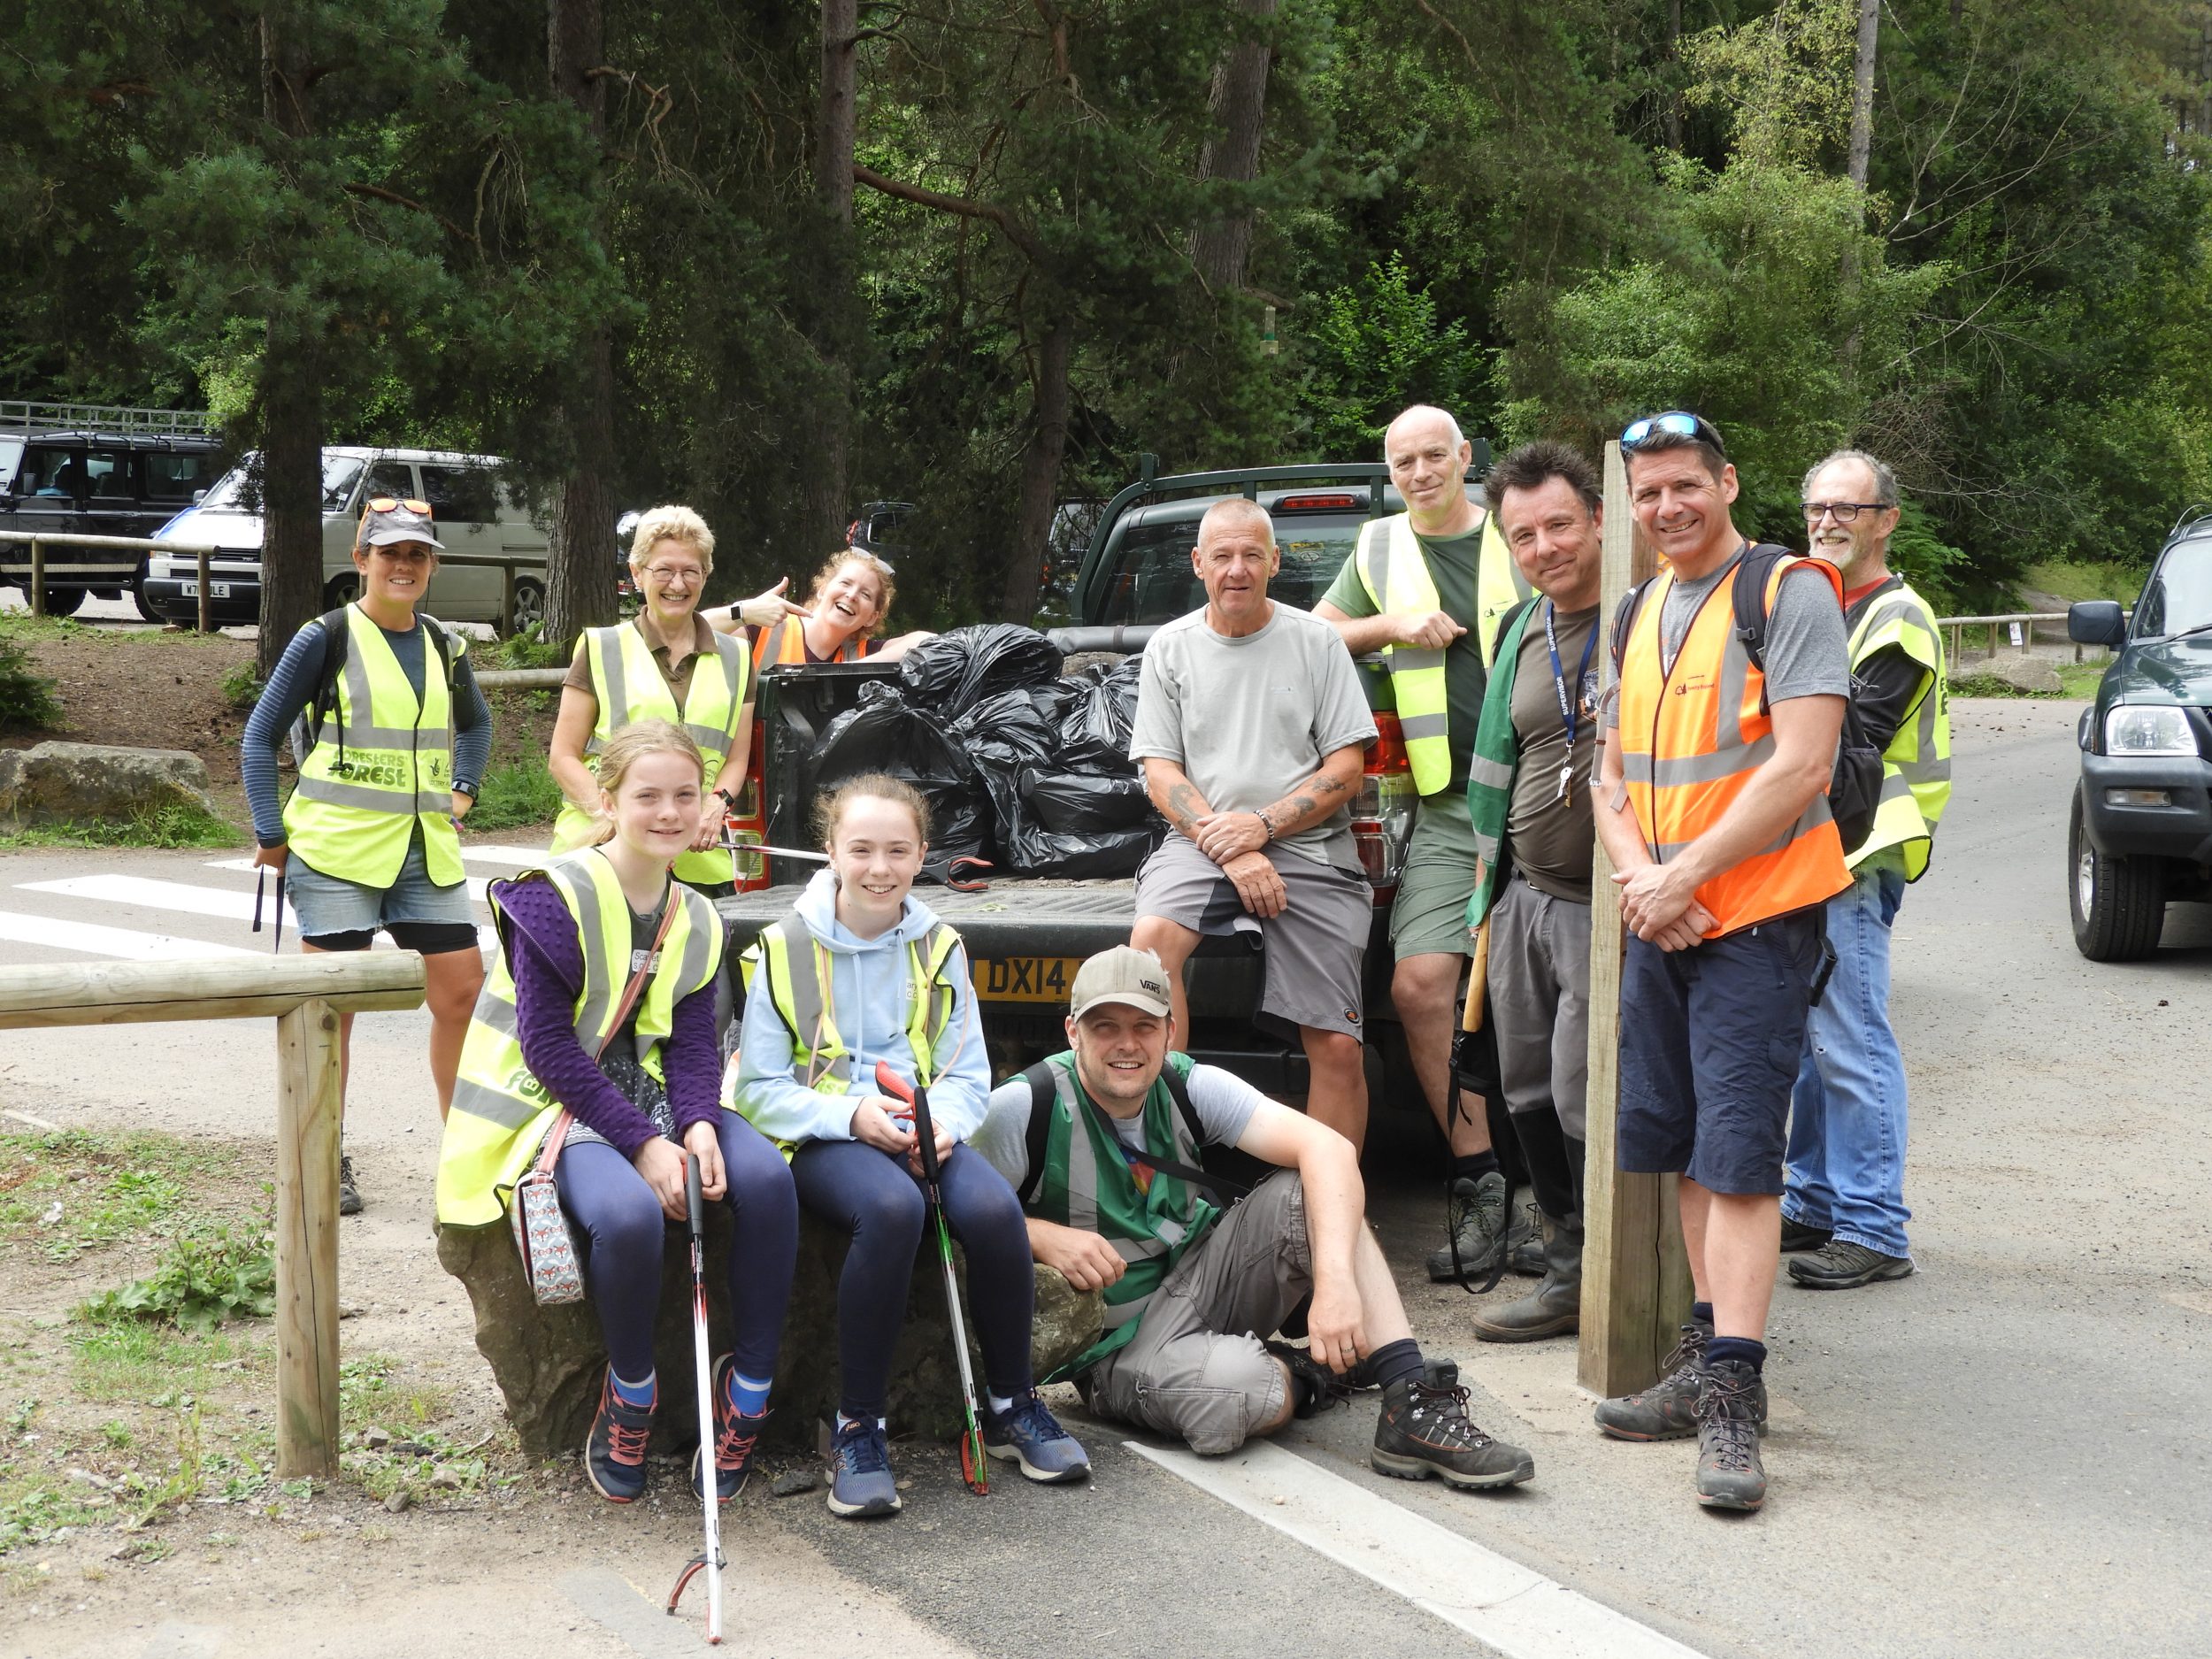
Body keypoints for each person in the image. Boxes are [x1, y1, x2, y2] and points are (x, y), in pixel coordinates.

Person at [970, 945, 1535, 1487]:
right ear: (1072, 1032)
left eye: (1144, 1026)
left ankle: (1410, 1399)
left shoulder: (1185, 1083)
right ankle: (1313, 1372)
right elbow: (942, 1208)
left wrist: (1336, 1289)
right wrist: (1036, 1233)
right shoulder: (1026, 1106)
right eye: (1105, 1027)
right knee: (1241, 1397)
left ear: (1170, 1031)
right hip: (1115, 1348)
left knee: (1313, 1188)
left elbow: (1330, 1151)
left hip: (1203, 1282)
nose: (1127, 1045)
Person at [1588, 411, 1852, 1513]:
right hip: (1664, 915)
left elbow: (1802, 765)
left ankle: (1736, 1399)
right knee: (1689, 1147)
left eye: (1684, 487)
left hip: (1753, 918)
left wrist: (1680, 877)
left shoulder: (1784, 592)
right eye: (1647, 494)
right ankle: (1705, 1360)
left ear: (1726, 482)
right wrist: (1646, 884)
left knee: (1742, 1157)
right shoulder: (1636, 608)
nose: (1666, 509)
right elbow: (1607, 776)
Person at [435, 721, 796, 1507]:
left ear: (706, 805)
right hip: (553, 1104)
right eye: (648, 795)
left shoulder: (699, 915)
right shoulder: (552, 894)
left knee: (765, 1180)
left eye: (685, 795)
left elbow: (697, 1042)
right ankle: (630, 1393)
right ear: (609, 799)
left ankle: (749, 1389)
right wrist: (644, 1148)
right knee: (629, 1218)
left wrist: (697, 1124)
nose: (668, 812)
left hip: (655, 1091)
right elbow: (548, 1049)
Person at [729, 774, 1088, 1518]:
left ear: (923, 853)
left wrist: (942, 1126)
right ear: (830, 851)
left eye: (898, 849)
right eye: (861, 848)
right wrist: (853, 1115)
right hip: (825, 1130)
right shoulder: (780, 946)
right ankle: (859, 1423)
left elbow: (967, 1069)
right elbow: (760, 1089)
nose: (880, 867)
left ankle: (1010, 1404)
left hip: (922, 1127)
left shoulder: (939, 942)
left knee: (992, 1213)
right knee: (892, 1209)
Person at [1314, 405, 1532, 1272]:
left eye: (1434, 455)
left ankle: (1555, 1202)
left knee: (1544, 996)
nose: (1419, 472)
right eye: (1403, 461)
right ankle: (1480, 1183)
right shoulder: (1377, 550)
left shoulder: (1519, 531)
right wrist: (1391, 626)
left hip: (1543, 799)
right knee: (1417, 987)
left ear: (1464, 457)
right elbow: (1316, 634)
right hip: (1448, 809)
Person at [242, 497, 489, 1217]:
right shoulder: (324, 636)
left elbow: (475, 723)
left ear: (432, 564)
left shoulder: (445, 643)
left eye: (418, 554)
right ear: (362, 561)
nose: (404, 566)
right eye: (391, 553)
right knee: (331, 1012)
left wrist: (463, 790)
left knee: (462, 993)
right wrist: (271, 833)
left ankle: (464, 1151)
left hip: (424, 854)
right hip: (337, 853)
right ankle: (324, 1149)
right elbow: (260, 738)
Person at [1128, 498, 1378, 1149]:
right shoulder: (1170, 647)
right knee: (1149, 950)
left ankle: (1330, 1209)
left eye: (1250, 555)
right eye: (1222, 556)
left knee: (1337, 1042)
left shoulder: (1317, 641)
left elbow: (1348, 766)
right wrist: (1232, 845)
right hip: (1201, 840)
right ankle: (1165, 1164)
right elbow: (1161, 772)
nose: (1236, 570)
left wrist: (1263, 827)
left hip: (1311, 847)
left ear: (1274, 560)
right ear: (1198, 564)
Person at [1783, 450, 1952, 1289]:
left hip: (1859, 850)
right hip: (1815, 850)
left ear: (1886, 518)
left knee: (1850, 1040)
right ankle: (1813, 1201)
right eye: (1817, 507)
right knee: (1816, 1045)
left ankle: (1875, 1226)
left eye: (1847, 508)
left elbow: (1848, 747)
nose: (1828, 522)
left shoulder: (1897, 617)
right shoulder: (1815, 605)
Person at [1461, 442, 1607, 1342]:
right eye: (1523, 534)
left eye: (1558, 524)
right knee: (1523, 1088)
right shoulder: (1522, 626)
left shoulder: (1646, 615)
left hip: (1610, 909)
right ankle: (1563, 1270)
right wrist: (1490, 887)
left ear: (1597, 517)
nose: (1544, 546)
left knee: (1580, 1087)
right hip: (1520, 897)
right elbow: (1498, 761)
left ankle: (1614, 1274)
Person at [549, 506, 756, 895]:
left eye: (690, 571)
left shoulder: (738, 657)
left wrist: (715, 805)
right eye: (663, 570)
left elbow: (736, 758)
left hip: (698, 861)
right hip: (604, 853)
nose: (677, 583)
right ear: (637, 573)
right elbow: (563, 756)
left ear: (705, 576)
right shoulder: (601, 647)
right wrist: (613, 822)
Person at [708, 549, 933, 668]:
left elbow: (928, 641)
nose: (852, 596)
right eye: (845, 583)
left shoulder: (859, 653)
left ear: (872, 617)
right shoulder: (768, 628)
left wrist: (851, 672)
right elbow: (689, 630)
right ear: (823, 589)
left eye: (865, 594)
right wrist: (743, 612)